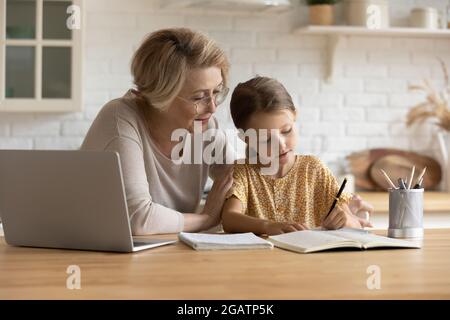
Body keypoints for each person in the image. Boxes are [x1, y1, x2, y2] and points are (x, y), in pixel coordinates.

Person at [81, 28, 234, 235]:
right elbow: (137, 218)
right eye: (199, 97)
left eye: (216, 92)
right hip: (92, 254)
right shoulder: (120, 118)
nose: (213, 107)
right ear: (160, 97)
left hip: (165, 252)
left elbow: (243, 181)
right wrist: (205, 219)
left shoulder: (205, 126)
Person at [221, 76, 374, 235]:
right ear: (246, 139)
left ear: (295, 116)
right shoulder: (243, 173)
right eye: (266, 139)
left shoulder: (313, 169)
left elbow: (354, 224)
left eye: (286, 131)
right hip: (261, 259)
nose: (280, 145)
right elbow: (230, 219)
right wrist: (267, 226)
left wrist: (346, 220)